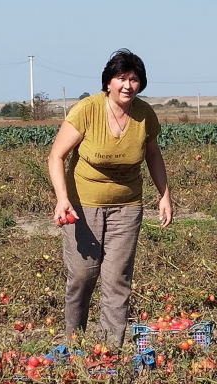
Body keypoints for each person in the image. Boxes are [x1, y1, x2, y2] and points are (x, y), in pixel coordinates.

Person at [47, 48, 173, 349]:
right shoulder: (87, 110)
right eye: (121, 78)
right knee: (82, 275)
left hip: (127, 207)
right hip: (82, 206)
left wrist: (165, 195)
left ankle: (109, 351)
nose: (128, 85)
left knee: (117, 280)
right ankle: (74, 344)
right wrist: (62, 198)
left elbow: (153, 154)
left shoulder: (144, 115)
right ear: (108, 82)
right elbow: (56, 156)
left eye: (134, 79)